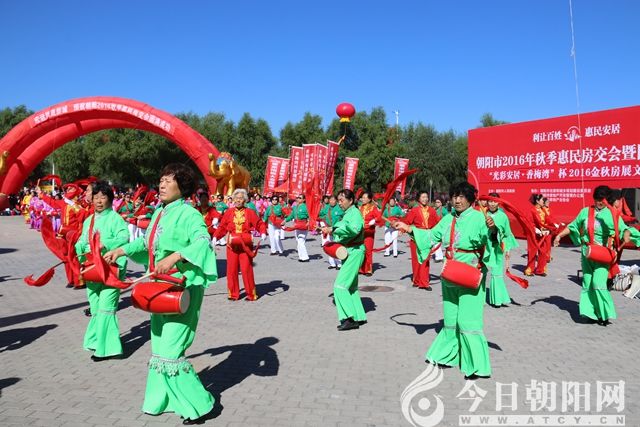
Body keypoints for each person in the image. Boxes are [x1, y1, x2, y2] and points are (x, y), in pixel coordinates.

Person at [103, 163, 217, 424]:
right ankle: (162, 400)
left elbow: (203, 242)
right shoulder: (159, 213)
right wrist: (121, 250)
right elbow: (146, 244)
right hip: (158, 288)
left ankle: (201, 405)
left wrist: (176, 257)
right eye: (161, 180)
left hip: (181, 289)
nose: (162, 185)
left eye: (168, 180)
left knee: (171, 351)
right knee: (158, 348)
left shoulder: (189, 214)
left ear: (182, 186)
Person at [395, 182, 496, 379]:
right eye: (454, 196)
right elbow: (431, 236)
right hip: (450, 273)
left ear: (470, 199)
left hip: (470, 273)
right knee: (450, 318)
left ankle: (476, 365)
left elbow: (492, 239)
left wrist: (493, 229)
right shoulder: (448, 218)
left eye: (461, 197)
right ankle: (447, 355)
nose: (457, 200)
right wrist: (408, 228)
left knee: (468, 320)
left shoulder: (479, 217)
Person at [553, 186, 638, 326]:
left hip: (602, 255)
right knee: (587, 283)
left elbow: (624, 229)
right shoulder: (585, 211)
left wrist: (627, 233)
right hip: (587, 253)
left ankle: (603, 314)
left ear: (607, 200)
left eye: (601, 200)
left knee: (598, 283)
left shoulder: (612, 214)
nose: (598, 202)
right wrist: (559, 236)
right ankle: (590, 313)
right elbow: (573, 226)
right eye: (596, 199)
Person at [75, 181, 129, 360]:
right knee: (96, 307)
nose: (99, 201)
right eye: (96, 197)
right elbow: (82, 240)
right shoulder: (89, 220)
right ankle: (95, 340)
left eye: (103, 197)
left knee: (106, 308)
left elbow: (124, 237)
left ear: (110, 199)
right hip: (92, 269)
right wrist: (76, 249)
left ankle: (109, 349)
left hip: (111, 269)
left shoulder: (115, 218)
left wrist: (105, 244)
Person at [321, 189, 367, 331]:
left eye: (342, 200)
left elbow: (355, 229)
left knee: (339, 286)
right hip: (350, 251)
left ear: (351, 200)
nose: (339, 203)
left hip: (355, 251)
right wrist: (331, 230)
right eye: (338, 200)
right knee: (351, 287)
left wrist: (334, 229)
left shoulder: (355, 213)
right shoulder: (348, 213)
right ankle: (358, 316)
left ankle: (349, 318)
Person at [215, 189, 266, 301]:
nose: (238, 200)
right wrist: (215, 237)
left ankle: (251, 294)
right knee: (231, 270)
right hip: (232, 245)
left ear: (245, 200)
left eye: (241, 198)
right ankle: (233, 294)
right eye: (236, 198)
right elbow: (222, 227)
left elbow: (259, 223)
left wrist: (262, 232)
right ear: (233, 199)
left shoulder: (250, 212)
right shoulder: (229, 212)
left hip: (245, 245)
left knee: (246, 269)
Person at [485, 193, 518, 307]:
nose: (492, 204)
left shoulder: (503, 216)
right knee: (481, 273)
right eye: (490, 201)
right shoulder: (482, 214)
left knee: (496, 273)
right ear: (487, 202)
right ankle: (479, 298)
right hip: (484, 247)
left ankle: (497, 299)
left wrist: (508, 250)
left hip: (497, 248)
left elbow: (507, 234)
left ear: (498, 203)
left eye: (494, 201)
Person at [403, 191, 439, 289]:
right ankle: (416, 280)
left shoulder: (432, 211)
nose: (425, 199)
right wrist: (401, 228)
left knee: (425, 260)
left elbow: (438, 223)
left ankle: (424, 283)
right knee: (416, 260)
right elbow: (406, 222)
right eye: (423, 197)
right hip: (416, 238)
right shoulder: (414, 211)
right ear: (419, 199)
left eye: (426, 197)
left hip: (426, 238)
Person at [525, 194, 551, 276]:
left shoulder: (543, 210)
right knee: (532, 252)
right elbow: (529, 223)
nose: (544, 201)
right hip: (533, 234)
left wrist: (549, 228)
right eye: (542, 200)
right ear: (537, 201)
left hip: (543, 234)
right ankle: (529, 270)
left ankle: (540, 270)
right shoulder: (531, 210)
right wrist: (535, 229)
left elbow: (548, 220)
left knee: (543, 252)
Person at [319, 195, 345, 269]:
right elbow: (320, 214)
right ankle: (332, 263)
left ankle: (339, 264)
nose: (332, 202)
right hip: (329, 229)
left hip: (337, 230)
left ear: (336, 201)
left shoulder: (339, 208)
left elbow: (344, 217)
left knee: (337, 246)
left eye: (333, 200)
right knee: (330, 246)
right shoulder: (327, 208)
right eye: (330, 200)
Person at [358, 192, 381, 275]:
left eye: (365, 197)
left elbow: (379, 217)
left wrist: (374, 220)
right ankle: (361, 269)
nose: (363, 199)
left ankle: (368, 269)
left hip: (369, 232)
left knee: (368, 250)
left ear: (369, 199)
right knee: (361, 250)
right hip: (360, 232)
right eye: (362, 197)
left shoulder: (373, 208)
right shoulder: (361, 207)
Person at [284, 194, 310, 262]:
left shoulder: (306, 207)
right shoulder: (295, 207)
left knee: (301, 241)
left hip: (303, 225)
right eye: (297, 197)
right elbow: (291, 216)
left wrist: (309, 222)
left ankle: (305, 257)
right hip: (296, 225)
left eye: (300, 198)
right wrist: (285, 221)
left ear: (304, 200)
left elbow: (310, 216)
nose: (298, 199)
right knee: (298, 241)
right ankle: (301, 256)